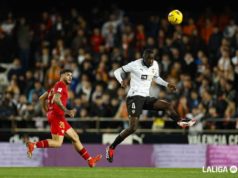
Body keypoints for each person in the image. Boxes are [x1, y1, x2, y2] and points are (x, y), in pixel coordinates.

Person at [106, 49, 196, 163]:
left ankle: (180, 122)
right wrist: (121, 80)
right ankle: (111, 147)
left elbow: (156, 77)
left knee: (167, 105)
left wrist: (167, 84)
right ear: (143, 58)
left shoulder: (155, 64)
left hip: (145, 98)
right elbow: (117, 71)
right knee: (133, 128)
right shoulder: (134, 64)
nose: (151, 60)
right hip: (134, 97)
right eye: (148, 58)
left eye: (152, 58)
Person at [26, 69, 102, 167]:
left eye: (71, 75)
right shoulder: (60, 85)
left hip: (56, 116)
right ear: (61, 76)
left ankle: (90, 160)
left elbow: (41, 98)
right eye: (67, 75)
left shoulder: (54, 88)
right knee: (57, 143)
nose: (70, 77)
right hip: (57, 116)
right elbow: (57, 99)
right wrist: (67, 111)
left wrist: (47, 111)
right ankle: (33, 145)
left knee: (75, 137)